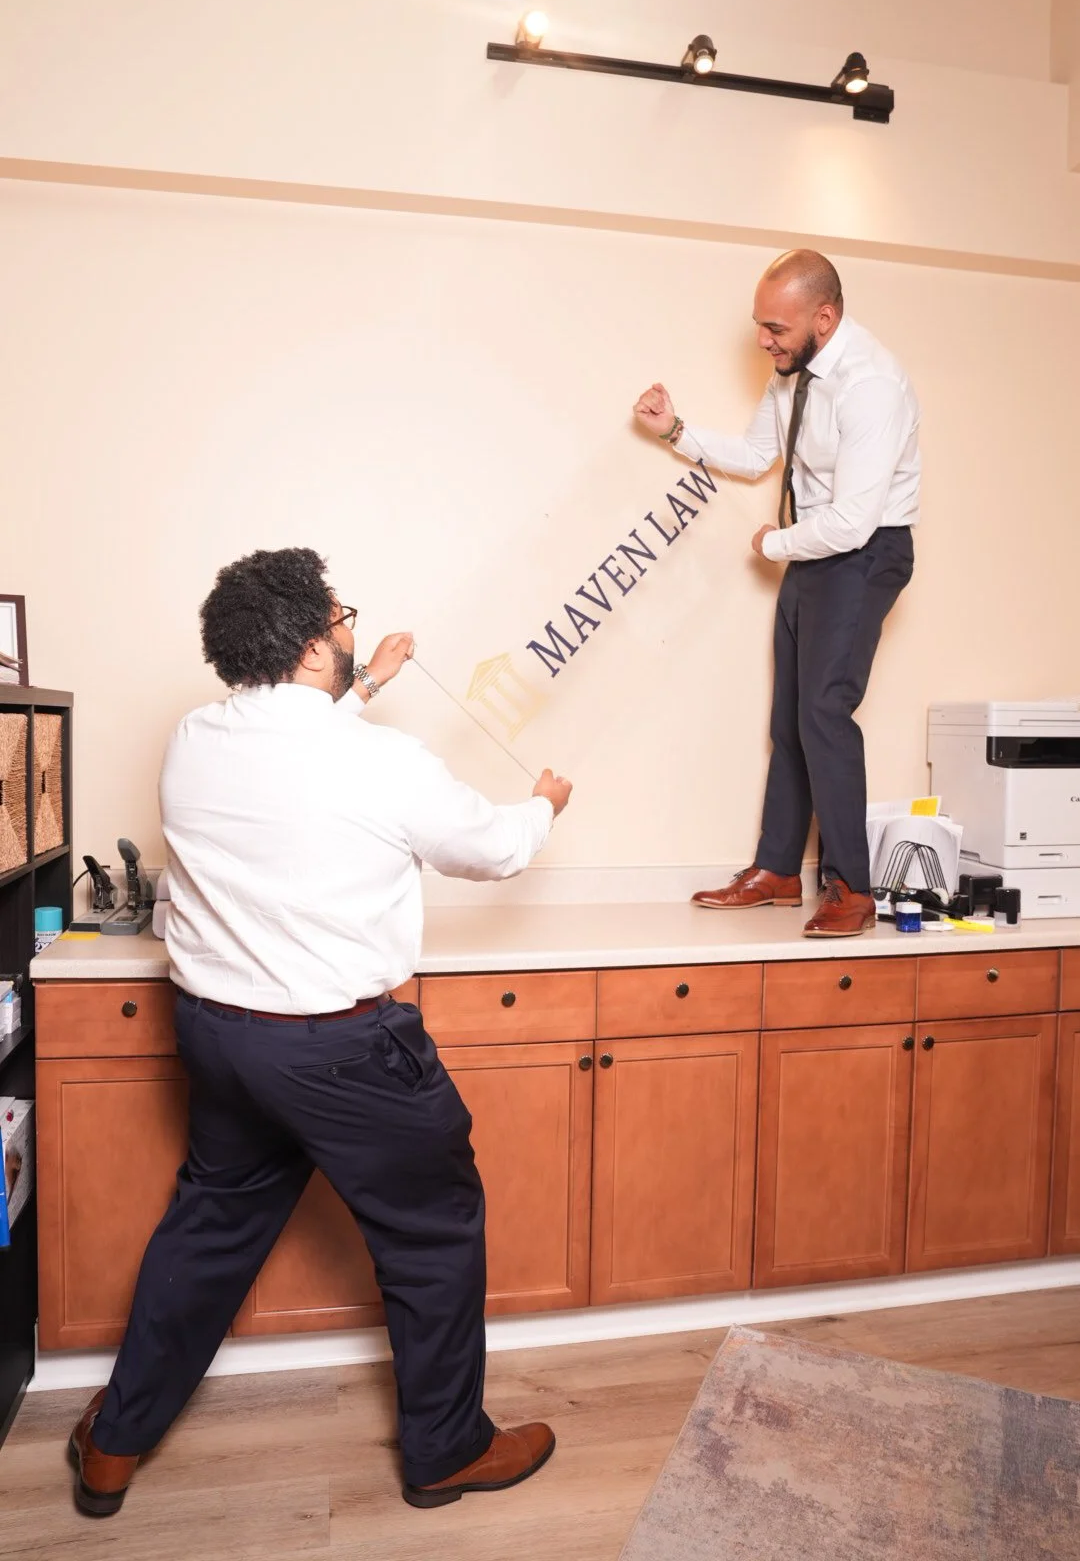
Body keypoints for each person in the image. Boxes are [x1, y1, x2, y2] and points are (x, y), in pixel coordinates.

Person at [68, 547, 572, 1517]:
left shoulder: (192, 739)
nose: (349, 627)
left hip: (219, 1039)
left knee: (209, 1232)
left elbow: (294, 746)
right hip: (343, 1055)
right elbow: (495, 848)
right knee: (434, 1233)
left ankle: (113, 1444)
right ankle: (446, 1451)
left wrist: (367, 678)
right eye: (341, 618)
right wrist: (544, 806)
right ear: (309, 647)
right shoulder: (380, 762)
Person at [634, 250, 920, 938]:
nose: (764, 341)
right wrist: (676, 431)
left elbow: (854, 521)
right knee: (790, 718)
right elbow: (758, 453)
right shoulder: (795, 368)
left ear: (824, 317)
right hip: (814, 550)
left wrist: (774, 545)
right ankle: (779, 871)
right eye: (760, 326)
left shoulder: (871, 385)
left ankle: (852, 889)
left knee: (824, 711)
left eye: (776, 328)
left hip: (863, 553)